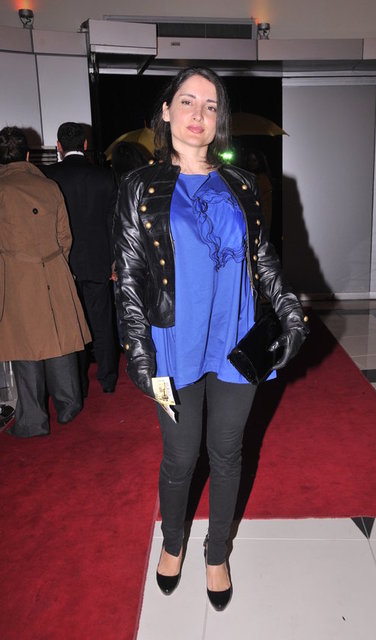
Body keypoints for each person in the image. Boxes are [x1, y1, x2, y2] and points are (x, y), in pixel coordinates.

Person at [113, 66, 309, 611]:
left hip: (237, 341)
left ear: (219, 118)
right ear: (166, 111)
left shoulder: (241, 183)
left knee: (226, 452)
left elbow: (263, 258)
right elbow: (129, 277)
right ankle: (173, 542)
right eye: (187, 101)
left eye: (210, 105)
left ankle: (216, 551)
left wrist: (289, 310)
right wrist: (137, 350)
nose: (198, 114)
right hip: (173, 344)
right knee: (180, 457)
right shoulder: (139, 186)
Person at [0, 126, 91, 437]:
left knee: (25, 346)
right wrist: (53, 263)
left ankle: (33, 421)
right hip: (54, 268)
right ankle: (69, 405)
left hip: (15, 274)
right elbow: (65, 236)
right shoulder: (49, 186)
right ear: (28, 155)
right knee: (59, 338)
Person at [43, 123, 119, 396]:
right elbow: (114, 224)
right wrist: (114, 262)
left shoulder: (47, 177)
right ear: (85, 145)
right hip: (98, 261)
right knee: (102, 323)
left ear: (59, 147)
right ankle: (108, 379)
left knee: (71, 324)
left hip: (62, 263)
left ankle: (79, 384)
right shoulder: (104, 177)